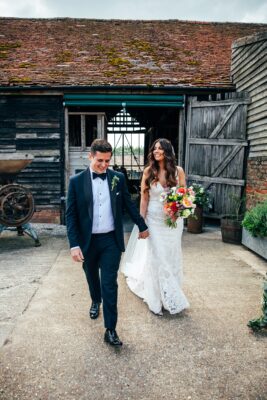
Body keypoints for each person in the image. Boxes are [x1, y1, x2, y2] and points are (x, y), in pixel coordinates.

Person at [66, 139, 148, 347]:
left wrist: (143, 225)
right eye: (100, 160)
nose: (104, 165)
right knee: (92, 275)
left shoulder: (118, 178)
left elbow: (129, 204)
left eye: (107, 161)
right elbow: (71, 216)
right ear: (90, 156)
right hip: (88, 241)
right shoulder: (76, 182)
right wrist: (74, 245)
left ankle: (110, 329)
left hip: (111, 240)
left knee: (109, 284)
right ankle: (95, 300)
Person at [121, 138, 189, 315]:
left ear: (167, 151)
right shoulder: (148, 172)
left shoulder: (178, 171)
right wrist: (141, 223)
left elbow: (183, 196)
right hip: (154, 220)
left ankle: (169, 295)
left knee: (171, 256)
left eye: (160, 149)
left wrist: (177, 212)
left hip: (173, 222)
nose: (156, 151)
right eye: (155, 149)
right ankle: (156, 298)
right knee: (157, 257)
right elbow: (144, 199)